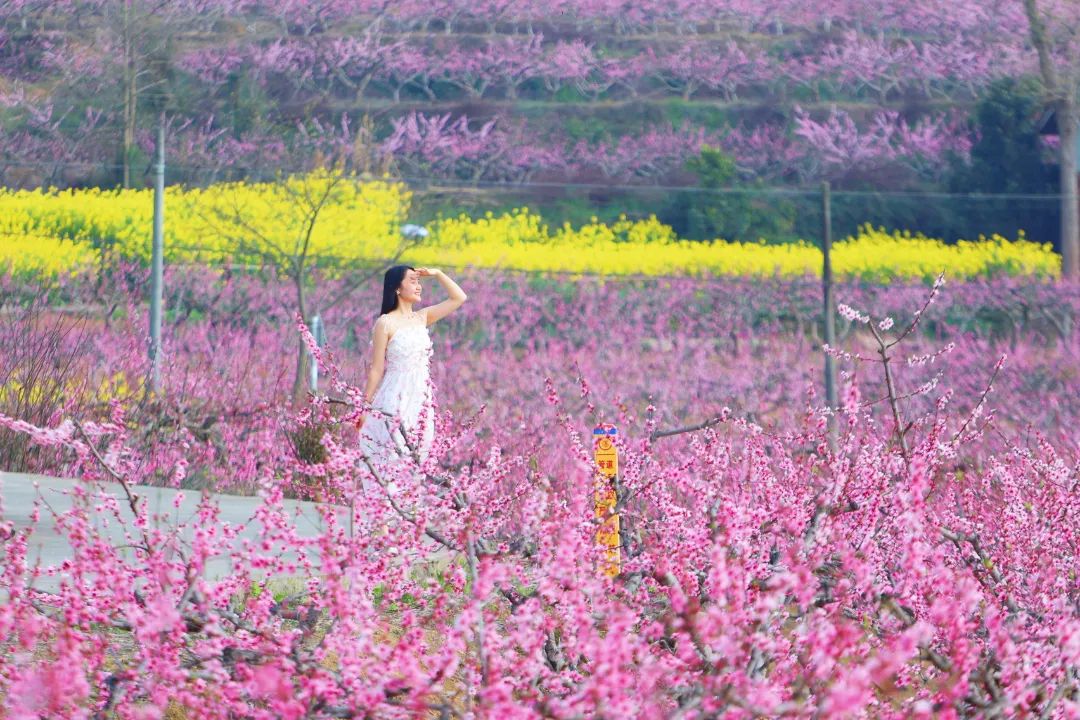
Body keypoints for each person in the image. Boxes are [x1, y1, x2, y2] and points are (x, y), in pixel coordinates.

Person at [357, 265, 467, 476]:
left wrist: (438, 273)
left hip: (422, 401)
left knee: (417, 460)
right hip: (394, 399)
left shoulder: (422, 317)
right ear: (397, 288)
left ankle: (410, 499)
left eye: (419, 282)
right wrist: (364, 407)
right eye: (413, 281)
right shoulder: (385, 323)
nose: (418, 287)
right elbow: (376, 369)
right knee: (394, 457)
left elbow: (459, 298)